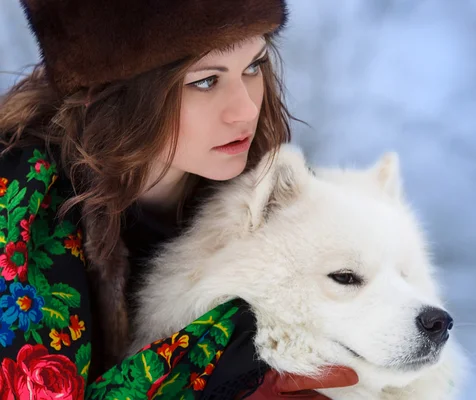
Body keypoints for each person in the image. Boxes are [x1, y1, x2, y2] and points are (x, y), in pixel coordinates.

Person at [0, 1, 358, 398]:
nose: (245, 110)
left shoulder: (263, 192)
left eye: (253, 66)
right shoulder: (22, 202)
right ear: (116, 93)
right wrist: (228, 351)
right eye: (206, 81)